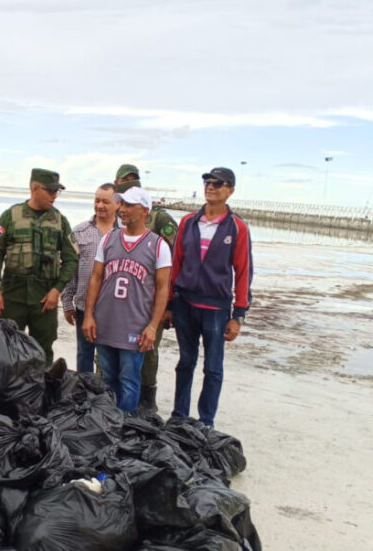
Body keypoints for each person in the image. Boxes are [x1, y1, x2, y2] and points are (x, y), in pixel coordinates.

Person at [165, 167, 252, 427]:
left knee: (213, 368)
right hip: (184, 304)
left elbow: (244, 272)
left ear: (230, 191)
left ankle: (206, 421)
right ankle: (179, 416)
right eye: (207, 181)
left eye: (218, 183)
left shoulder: (237, 228)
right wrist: (169, 304)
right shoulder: (188, 222)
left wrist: (239, 315)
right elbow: (175, 264)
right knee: (186, 362)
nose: (210, 186)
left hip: (215, 308)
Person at [82, 184, 171, 411]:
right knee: (107, 381)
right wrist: (89, 316)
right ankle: (109, 423)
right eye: (121, 203)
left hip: (135, 327)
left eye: (129, 205)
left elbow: (163, 289)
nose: (122, 209)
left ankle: (126, 428)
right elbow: (96, 278)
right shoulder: (109, 239)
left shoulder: (158, 245)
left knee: (130, 382)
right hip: (106, 323)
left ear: (144, 210)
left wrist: (152, 326)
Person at [0, 168, 77, 365]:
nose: (55, 196)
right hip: (12, 294)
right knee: (6, 348)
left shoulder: (60, 221)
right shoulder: (9, 216)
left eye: (57, 192)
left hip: (44, 298)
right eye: (51, 191)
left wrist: (57, 290)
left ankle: (41, 392)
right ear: (35, 188)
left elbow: (71, 259)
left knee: (42, 352)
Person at [115, 164, 177, 413]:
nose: (129, 185)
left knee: (148, 350)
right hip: (121, 300)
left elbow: (173, 263)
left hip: (151, 301)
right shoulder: (118, 213)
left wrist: (169, 305)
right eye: (124, 181)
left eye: (134, 181)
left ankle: (147, 399)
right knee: (116, 348)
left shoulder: (159, 218)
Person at [62, 183, 120, 374]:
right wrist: (67, 303)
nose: (100, 205)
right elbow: (71, 269)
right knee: (84, 355)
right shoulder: (79, 232)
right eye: (97, 200)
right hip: (83, 306)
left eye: (105, 201)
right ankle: (83, 394)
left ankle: (104, 398)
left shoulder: (125, 233)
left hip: (114, 309)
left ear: (117, 204)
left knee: (108, 359)